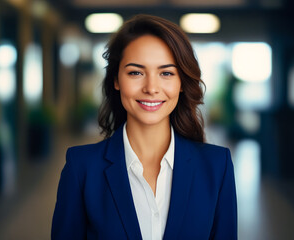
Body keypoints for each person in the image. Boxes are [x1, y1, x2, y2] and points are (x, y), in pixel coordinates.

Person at [51, 14, 237, 240]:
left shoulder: (217, 167)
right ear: (116, 80)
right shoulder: (81, 168)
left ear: (181, 83)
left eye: (166, 73)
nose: (151, 87)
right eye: (136, 72)